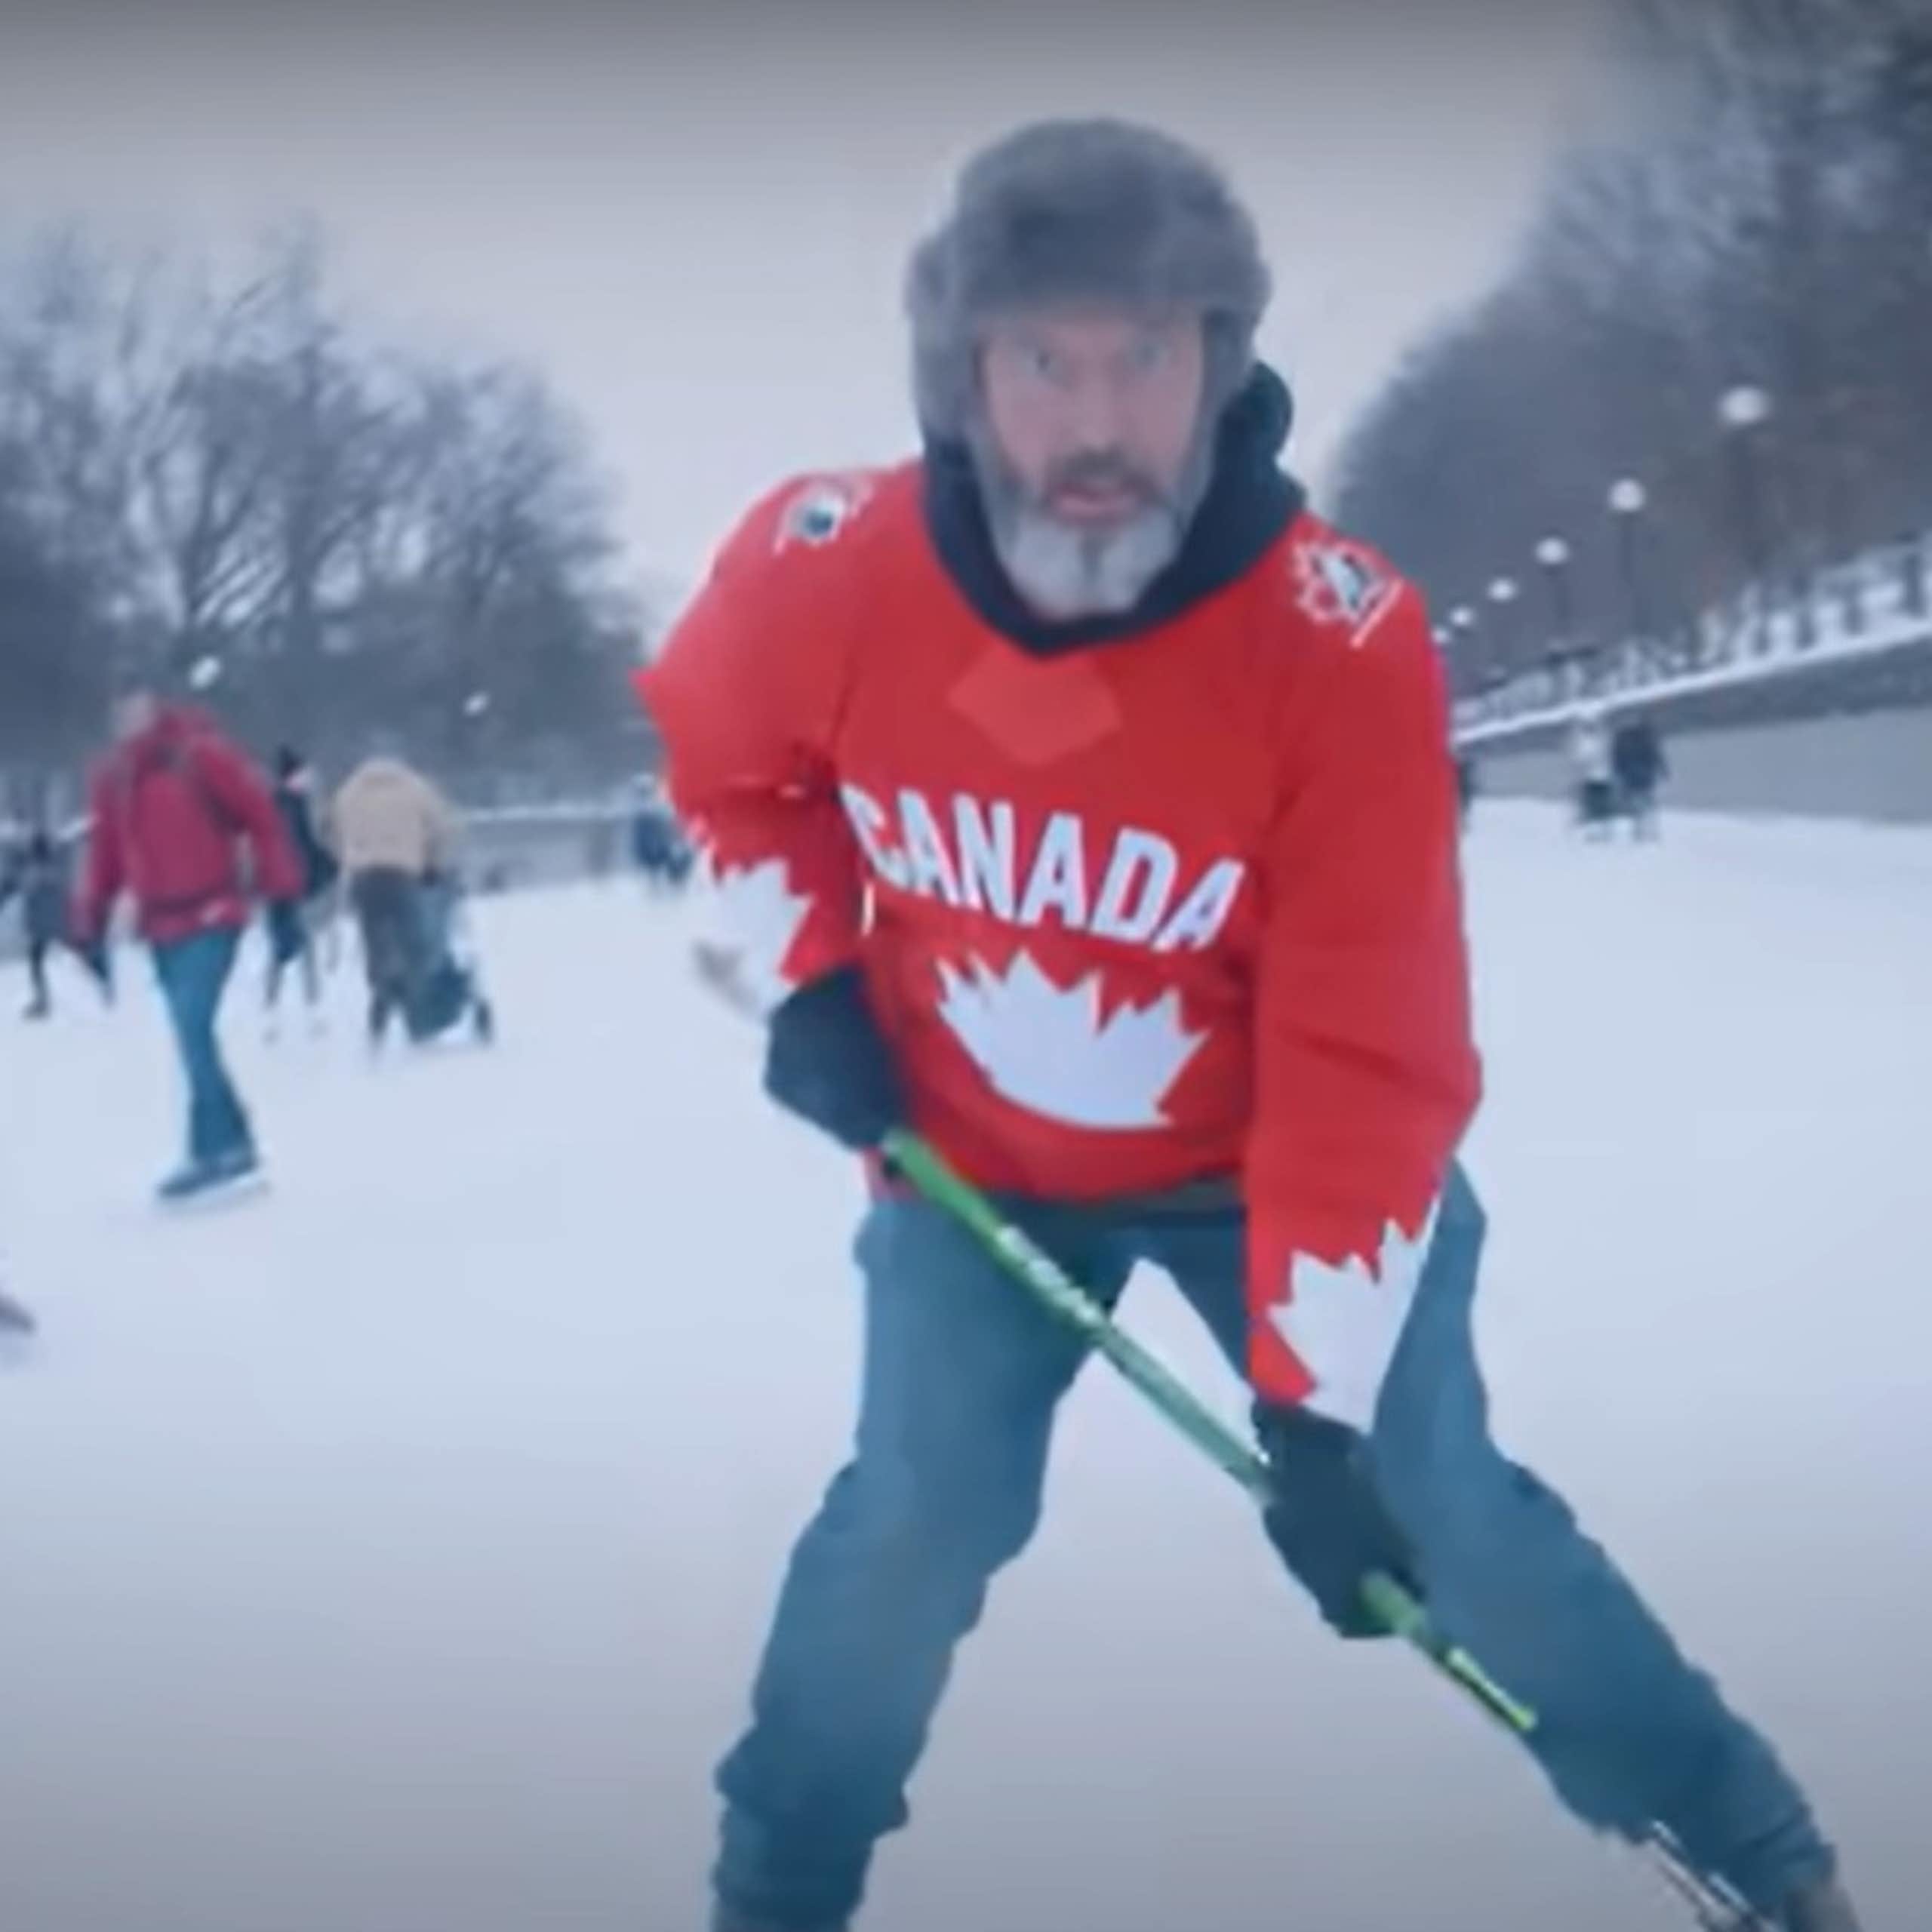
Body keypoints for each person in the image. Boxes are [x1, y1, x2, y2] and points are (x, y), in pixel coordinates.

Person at [637, 121, 1862, 1932]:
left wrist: (1318, 1402)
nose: (1094, 417)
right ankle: (774, 1887)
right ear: (960, 375)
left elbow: (1365, 1042)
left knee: (1444, 1510)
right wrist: (806, 971)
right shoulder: (820, 566)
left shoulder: (1332, 642)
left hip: (1263, 1165)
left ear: (1217, 359)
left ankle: (1750, 1844)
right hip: (971, 1161)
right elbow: (731, 773)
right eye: (1039, 359)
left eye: (1144, 352)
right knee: (908, 1520)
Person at [72, 670, 304, 1200]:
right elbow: (106, 856)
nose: (128, 721)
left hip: (213, 911)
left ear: (155, 706)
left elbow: (261, 819)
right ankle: (223, 1145)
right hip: (160, 924)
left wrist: (282, 896)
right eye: (119, 713)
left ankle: (219, 1148)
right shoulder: (114, 779)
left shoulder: (200, 756)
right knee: (189, 1032)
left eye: (136, 708)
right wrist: (90, 923)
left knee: (192, 1024)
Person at [331, 743, 462, 1046]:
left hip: (364, 879)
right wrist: (434, 862)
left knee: (377, 944)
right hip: (403, 875)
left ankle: (380, 1002)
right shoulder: (415, 788)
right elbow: (442, 828)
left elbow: (334, 832)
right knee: (416, 947)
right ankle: (418, 1019)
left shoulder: (349, 792)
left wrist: (349, 858)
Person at [263, 745, 340, 1033]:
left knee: (284, 949)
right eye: (303, 774)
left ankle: (275, 1011)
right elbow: (301, 845)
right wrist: (324, 867)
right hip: (289, 885)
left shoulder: (286, 803)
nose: (308, 779)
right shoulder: (289, 806)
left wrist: (324, 863)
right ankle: (309, 1009)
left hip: (279, 884)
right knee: (299, 946)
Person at [1, 829, 73, 1020]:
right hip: (53, 923)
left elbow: (12, 887)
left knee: (36, 962)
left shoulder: (34, 872)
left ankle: (42, 1001)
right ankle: (42, 1000)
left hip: (42, 925)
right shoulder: (54, 870)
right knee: (38, 961)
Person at [1613, 711, 1669, 839]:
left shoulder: (1625, 737)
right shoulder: (1647, 737)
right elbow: (1656, 755)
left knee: (1637, 802)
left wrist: (1618, 774)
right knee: (1648, 802)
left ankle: (1639, 829)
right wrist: (1664, 771)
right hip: (1645, 775)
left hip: (1631, 775)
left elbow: (1618, 758)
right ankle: (1650, 830)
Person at [1570, 704, 1617, 838]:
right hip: (1603, 776)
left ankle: (1595, 831)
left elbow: (1579, 759)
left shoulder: (1587, 742)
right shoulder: (1603, 739)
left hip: (1591, 778)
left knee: (1592, 806)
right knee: (1602, 805)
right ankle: (1603, 830)